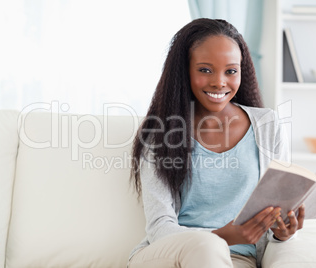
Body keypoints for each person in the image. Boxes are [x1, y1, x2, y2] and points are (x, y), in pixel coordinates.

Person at [128, 18, 305, 268]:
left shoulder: (268, 125)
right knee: (208, 248)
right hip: (168, 255)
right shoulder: (160, 133)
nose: (219, 82)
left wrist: (282, 232)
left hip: (236, 259)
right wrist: (224, 236)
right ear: (184, 71)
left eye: (231, 71)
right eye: (205, 70)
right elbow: (159, 226)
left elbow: (277, 210)